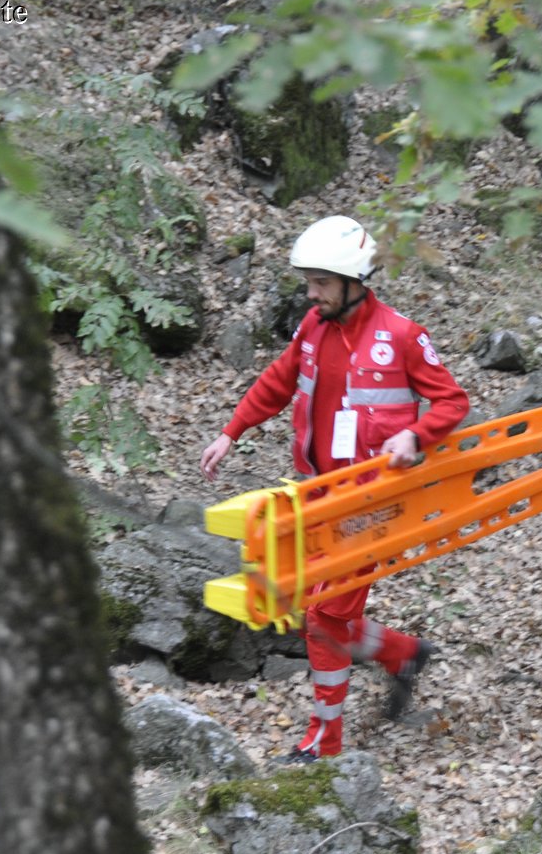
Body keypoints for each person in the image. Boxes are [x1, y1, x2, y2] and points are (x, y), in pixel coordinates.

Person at [200, 215, 470, 763]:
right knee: (327, 610)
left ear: (352, 281)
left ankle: (326, 743)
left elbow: (452, 402)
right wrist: (233, 431)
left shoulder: (401, 337)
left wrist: (413, 436)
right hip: (319, 495)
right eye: (309, 282)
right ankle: (403, 654)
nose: (311, 292)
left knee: (323, 614)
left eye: (320, 282)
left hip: (375, 505)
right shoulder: (314, 327)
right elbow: (278, 380)